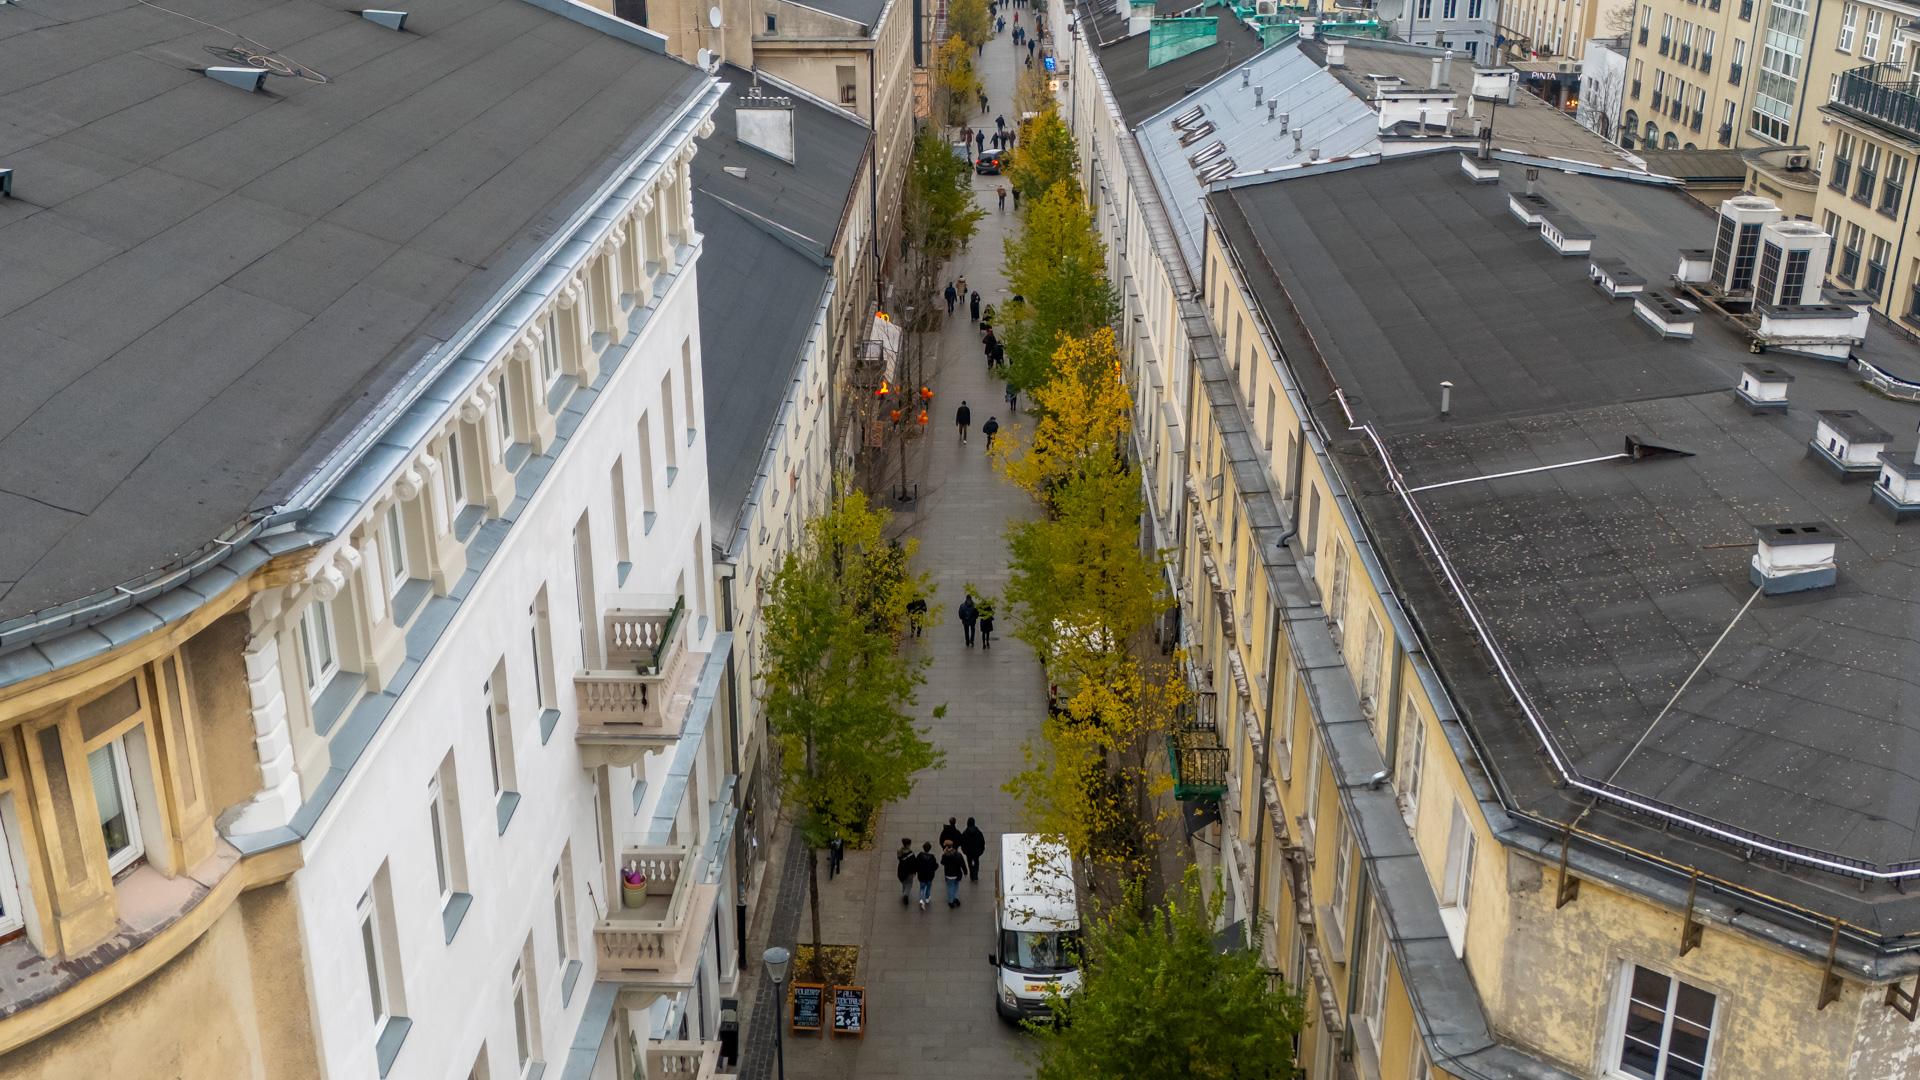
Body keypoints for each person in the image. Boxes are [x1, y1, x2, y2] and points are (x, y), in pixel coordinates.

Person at [940, 841, 968, 908]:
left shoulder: (945, 855)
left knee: (950, 888)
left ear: (946, 847)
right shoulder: (958, 854)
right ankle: (955, 898)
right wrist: (965, 872)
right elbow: (962, 864)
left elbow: (942, 863)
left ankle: (951, 901)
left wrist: (944, 854)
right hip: (957, 873)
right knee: (956, 886)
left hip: (949, 874)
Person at [915, 842, 939, 911]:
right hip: (929, 876)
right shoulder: (932, 857)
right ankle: (927, 898)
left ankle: (921, 900)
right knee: (928, 887)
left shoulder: (919, 855)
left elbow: (917, 864)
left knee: (922, 888)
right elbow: (935, 866)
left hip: (921, 875)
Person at [897, 838, 917, 905]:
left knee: (904, 883)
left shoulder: (899, 851)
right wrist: (914, 872)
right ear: (908, 844)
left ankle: (904, 892)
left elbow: (899, 859)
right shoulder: (911, 854)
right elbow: (914, 864)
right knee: (909, 884)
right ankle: (905, 895)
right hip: (909, 872)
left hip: (901, 870)